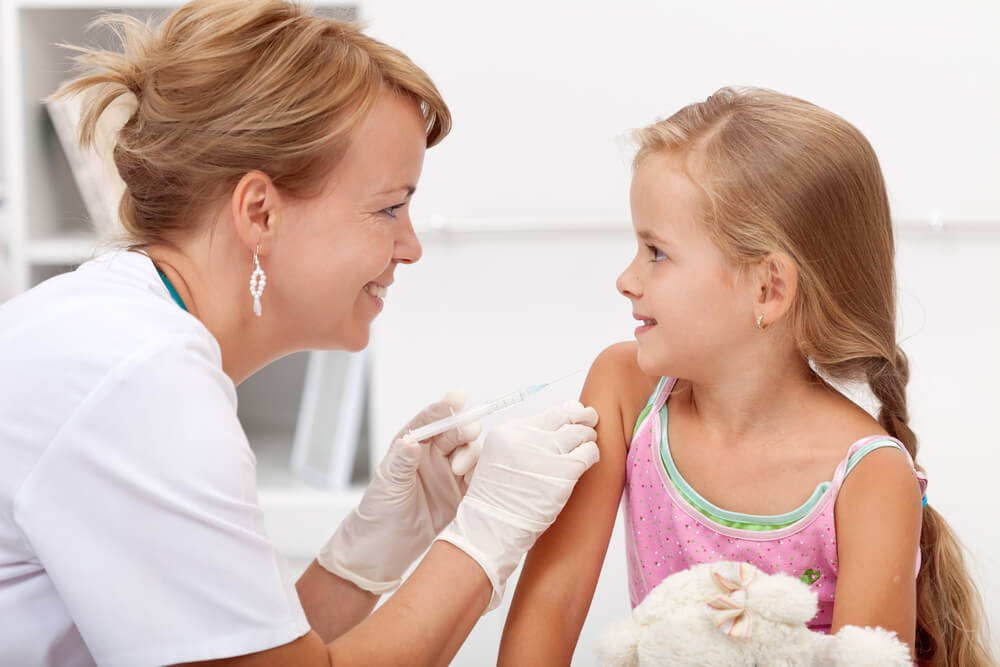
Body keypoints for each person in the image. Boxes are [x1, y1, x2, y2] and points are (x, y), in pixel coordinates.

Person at [0, 2, 601, 665]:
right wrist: (485, 537)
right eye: (389, 208)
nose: (410, 247)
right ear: (260, 211)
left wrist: (366, 554)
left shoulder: (124, 329)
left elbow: (243, 652)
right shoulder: (140, 378)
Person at [498, 87, 994, 666]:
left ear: (768, 288)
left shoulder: (868, 477)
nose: (626, 279)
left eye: (656, 252)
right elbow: (552, 603)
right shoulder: (624, 389)